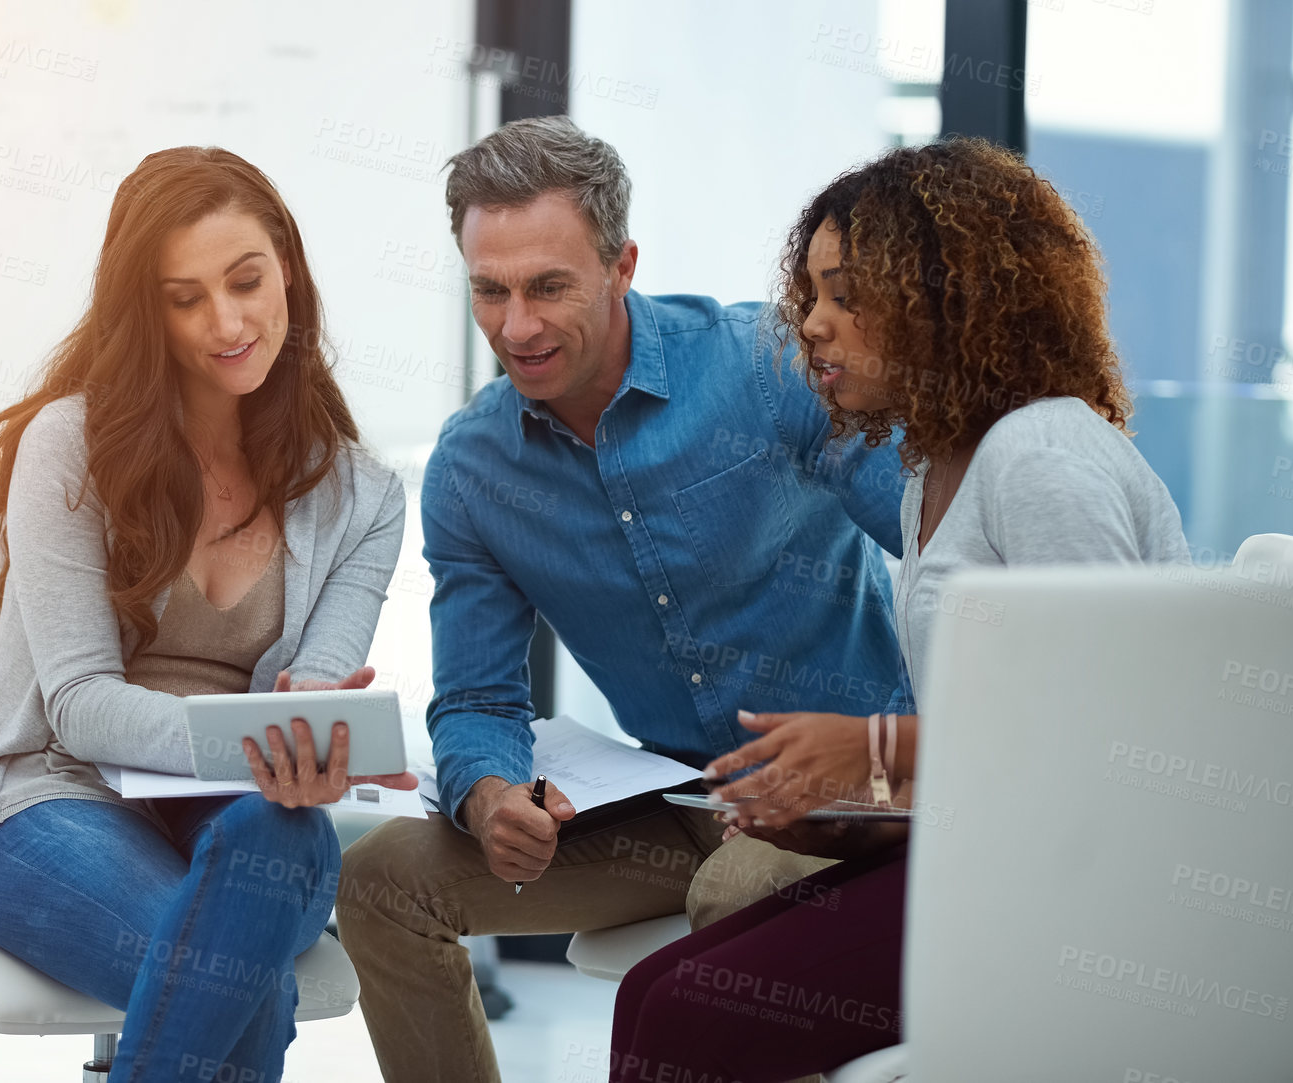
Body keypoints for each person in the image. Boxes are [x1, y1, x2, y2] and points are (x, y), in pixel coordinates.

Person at [337, 115, 915, 1083]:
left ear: (621, 264)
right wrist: (487, 797)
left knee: (735, 898)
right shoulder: (474, 469)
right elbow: (477, 699)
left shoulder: (764, 368)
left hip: (854, 785)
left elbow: (936, 544)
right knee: (378, 881)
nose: (513, 326)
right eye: (489, 290)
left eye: (547, 286)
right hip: (673, 801)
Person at [607, 138, 1191, 1083]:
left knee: (684, 1014)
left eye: (848, 294)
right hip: (1000, 850)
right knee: (649, 992)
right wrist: (832, 814)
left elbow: (1110, 738)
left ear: (951, 299)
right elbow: (1001, 759)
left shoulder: (1041, 454)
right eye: (812, 296)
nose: (813, 326)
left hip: (1082, 893)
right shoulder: (930, 469)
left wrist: (876, 749)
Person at [0, 146, 410, 1083]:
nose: (225, 322)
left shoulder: (365, 498)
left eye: (245, 281)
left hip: (247, 819)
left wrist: (303, 748)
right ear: (146, 311)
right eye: (184, 298)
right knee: (246, 988)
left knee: (285, 831)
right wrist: (261, 738)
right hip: (49, 798)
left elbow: (309, 702)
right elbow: (81, 705)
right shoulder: (73, 445)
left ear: (290, 275)